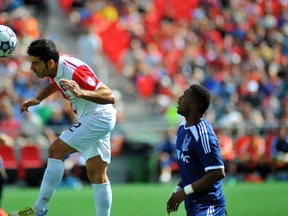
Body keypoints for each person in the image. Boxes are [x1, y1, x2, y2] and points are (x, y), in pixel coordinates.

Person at [9, 38, 117, 216]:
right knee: (97, 175)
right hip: (91, 117)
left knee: (55, 150)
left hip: (99, 117)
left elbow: (109, 96)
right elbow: (55, 82)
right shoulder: (55, 68)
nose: (31, 68)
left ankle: (38, 210)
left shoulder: (73, 70)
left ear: (50, 62)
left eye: (35, 64)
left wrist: (81, 92)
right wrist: (38, 99)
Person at [166, 84, 227, 216]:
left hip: (209, 205)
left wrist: (185, 191)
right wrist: (178, 190)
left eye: (184, 97)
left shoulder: (203, 135)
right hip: (194, 205)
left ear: (193, 106)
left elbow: (217, 172)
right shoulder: (182, 128)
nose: (179, 99)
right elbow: (192, 169)